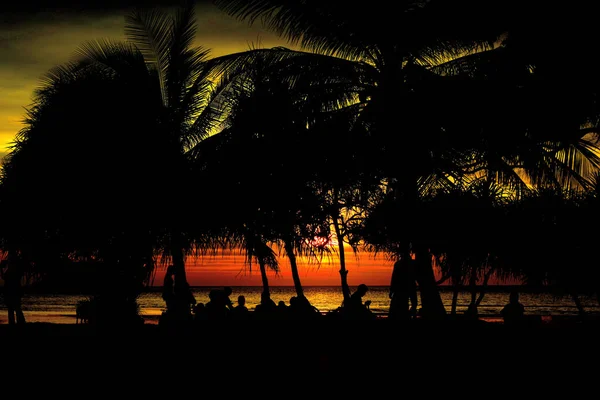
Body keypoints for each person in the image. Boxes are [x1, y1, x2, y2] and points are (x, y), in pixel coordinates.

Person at [1, 258, 26, 325]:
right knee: (14, 308)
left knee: (14, 308)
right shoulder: (14, 271)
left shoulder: (13, 271)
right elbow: (4, 277)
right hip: (12, 291)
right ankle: (18, 322)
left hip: (12, 291)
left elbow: (4, 277)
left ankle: (18, 322)